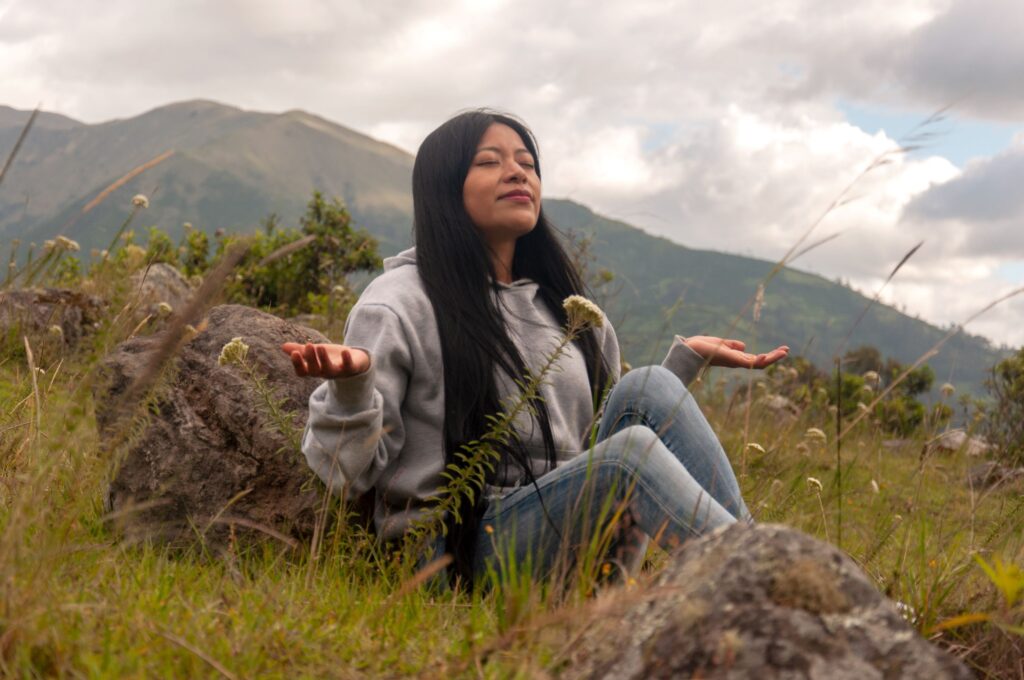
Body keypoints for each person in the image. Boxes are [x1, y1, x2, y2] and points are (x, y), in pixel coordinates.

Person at [282, 109, 788, 585]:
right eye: (489, 162)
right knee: (627, 457)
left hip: (562, 532)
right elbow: (344, 477)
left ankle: (779, 571)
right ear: (443, 187)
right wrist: (351, 389)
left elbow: (598, 444)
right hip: (450, 554)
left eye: (527, 163)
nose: (517, 173)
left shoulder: (565, 310)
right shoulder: (399, 303)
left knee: (649, 386)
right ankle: (773, 584)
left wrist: (685, 364)